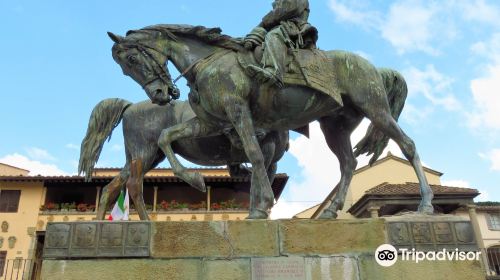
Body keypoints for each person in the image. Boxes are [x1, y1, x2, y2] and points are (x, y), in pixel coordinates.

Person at [244, 0, 318, 87]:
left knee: (274, 35)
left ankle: (274, 71)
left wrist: (264, 22)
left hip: (294, 28)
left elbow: (289, 10)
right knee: (259, 33)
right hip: (281, 26)